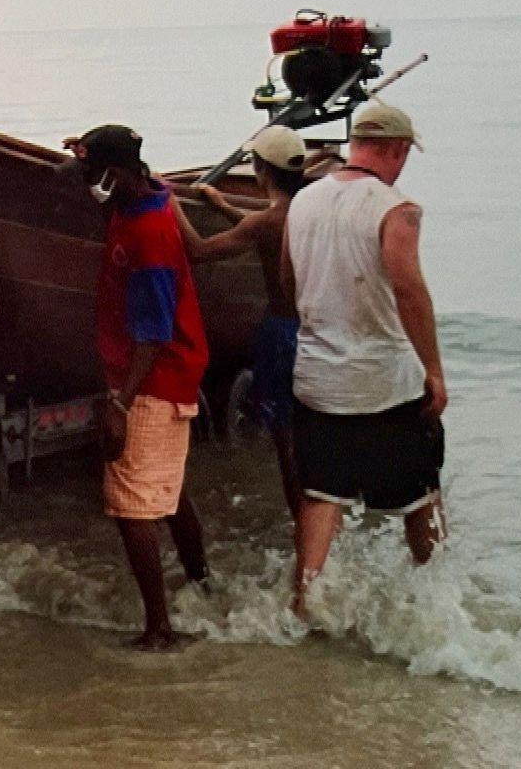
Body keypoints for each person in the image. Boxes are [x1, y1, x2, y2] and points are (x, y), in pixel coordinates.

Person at [284, 102, 447, 619]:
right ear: (396, 150)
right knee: (420, 494)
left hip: (317, 375)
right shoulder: (396, 209)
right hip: (383, 381)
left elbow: (289, 285)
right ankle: (438, 598)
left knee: (320, 495)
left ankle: (305, 601)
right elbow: (408, 288)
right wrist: (435, 371)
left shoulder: (303, 201)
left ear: (356, 144)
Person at [61, 124, 211, 651]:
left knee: (129, 504)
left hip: (153, 376)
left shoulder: (150, 233)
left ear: (117, 174)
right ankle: (202, 583)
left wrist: (120, 403)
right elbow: (129, 190)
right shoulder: (145, 198)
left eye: (91, 172)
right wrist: (83, 155)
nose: (85, 181)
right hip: (165, 371)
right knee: (167, 492)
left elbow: (153, 331)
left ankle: (159, 628)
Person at [175, 124, 310, 517]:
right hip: (318, 333)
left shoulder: (264, 223)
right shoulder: (307, 211)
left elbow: (198, 251)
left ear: (262, 171)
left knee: (284, 439)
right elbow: (265, 224)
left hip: (282, 335)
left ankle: (300, 516)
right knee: (314, 430)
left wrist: (170, 204)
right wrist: (223, 206)